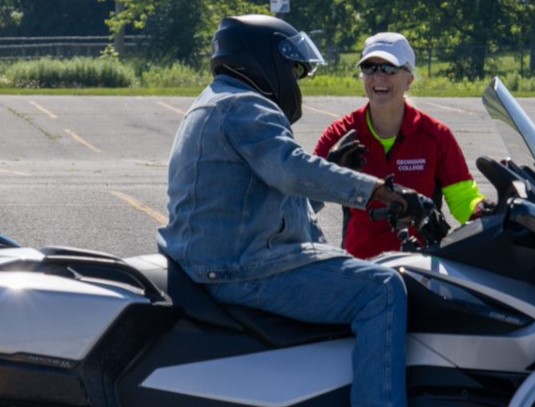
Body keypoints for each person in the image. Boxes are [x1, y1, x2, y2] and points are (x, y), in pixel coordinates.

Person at [156, 15, 424, 407]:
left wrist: (335, 169)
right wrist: (381, 192)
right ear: (264, 60)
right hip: (241, 268)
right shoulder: (244, 106)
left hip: (224, 256)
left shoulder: (217, 100)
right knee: (382, 289)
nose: (294, 82)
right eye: (292, 71)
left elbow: (267, 199)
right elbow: (290, 168)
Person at [314, 32, 491, 259]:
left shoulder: (436, 136)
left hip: (420, 267)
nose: (379, 77)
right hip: (360, 271)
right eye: (370, 67)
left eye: (389, 68)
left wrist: (483, 210)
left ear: (409, 79)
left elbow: (464, 200)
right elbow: (303, 196)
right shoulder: (340, 135)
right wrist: (327, 175)